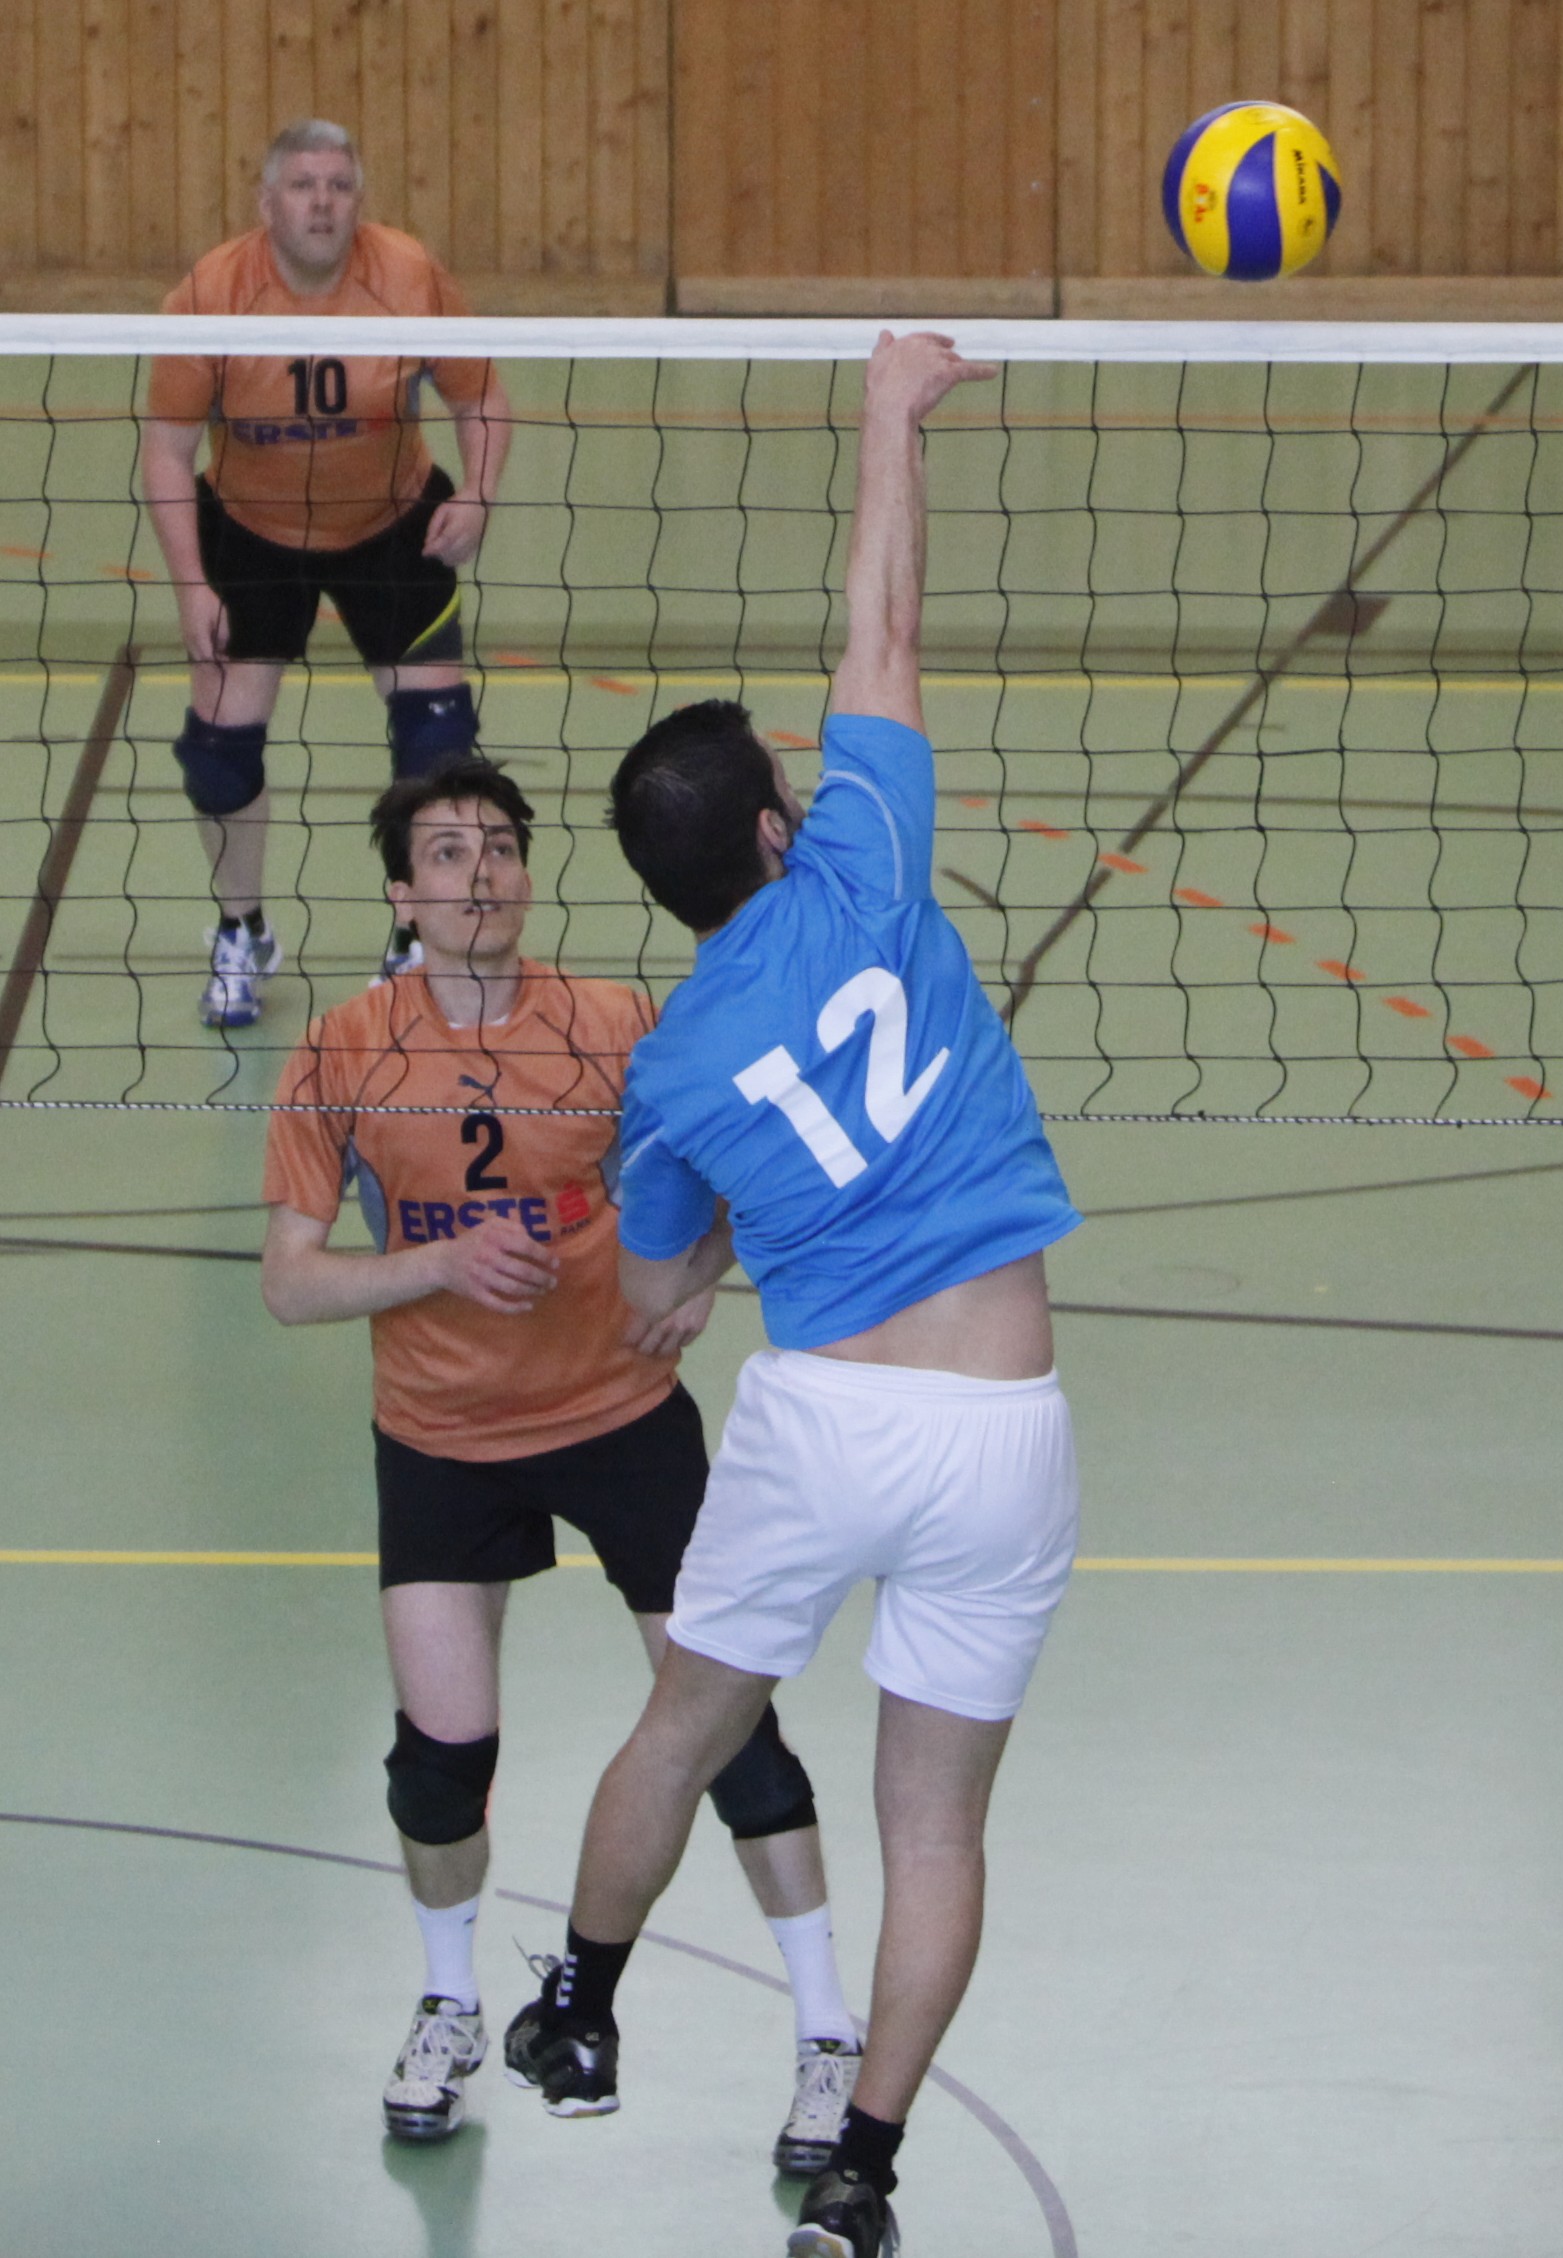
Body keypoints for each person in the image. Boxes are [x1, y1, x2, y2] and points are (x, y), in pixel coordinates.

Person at [498, 332, 1079, 2258]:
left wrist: (704, 1261)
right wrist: (888, 411)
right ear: (775, 826)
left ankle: (580, 2004)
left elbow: (652, 1281)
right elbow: (880, 625)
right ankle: (863, 2175)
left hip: (818, 1421)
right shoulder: (866, 862)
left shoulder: (671, 1067)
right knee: (936, 1827)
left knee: (681, 1723)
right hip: (997, 1424)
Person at [258, 756, 859, 2166]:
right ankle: (450, 2001)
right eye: (447, 853)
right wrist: (437, 1264)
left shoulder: (615, 1023)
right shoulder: (344, 1049)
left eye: (500, 848)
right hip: (441, 1438)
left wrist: (700, 1272)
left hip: (620, 1415)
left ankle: (826, 2031)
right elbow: (290, 1282)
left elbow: (744, 1171)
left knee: (732, 1733)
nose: (480, 873)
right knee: (438, 1763)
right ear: (402, 896)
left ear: (527, 876)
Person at [143, 118, 511, 1029]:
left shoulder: (408, 276)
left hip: (392, 523)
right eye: (303, 186)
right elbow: (167, 450)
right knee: (216, 756)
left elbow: (481, 397)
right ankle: (242, 931)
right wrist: (191, 586)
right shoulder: (212, 295)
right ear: (267, 202)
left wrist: (478, 493)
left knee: (439, 747)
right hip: (252, 529)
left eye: (339, 186)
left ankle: (415, 939)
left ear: (359, 200)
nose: (321, 203)